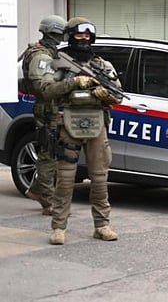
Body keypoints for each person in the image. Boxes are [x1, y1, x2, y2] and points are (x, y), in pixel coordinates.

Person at [38, 17, 122, 245]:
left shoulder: (102, 65)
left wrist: (105, 95)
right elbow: (46, 90)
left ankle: (102, 225)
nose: (83, 38)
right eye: (78, 34)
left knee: (100, 178)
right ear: (70, 36)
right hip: (68, 124)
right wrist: (74, 83)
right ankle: (58, 227)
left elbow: (118, 95)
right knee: (65, 180)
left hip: (96, 125)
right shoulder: (58, 62)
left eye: (87, 35)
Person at [21, 15, 68, 215]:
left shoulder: (50, 53)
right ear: (51, 33)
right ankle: (48, 201)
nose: (61, 39)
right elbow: (42, 87)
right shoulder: (41, 56)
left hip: (54, 109)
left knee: (54, 154)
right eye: (59, 35)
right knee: (48, 155)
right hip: (48, 110)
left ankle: (37, 189)